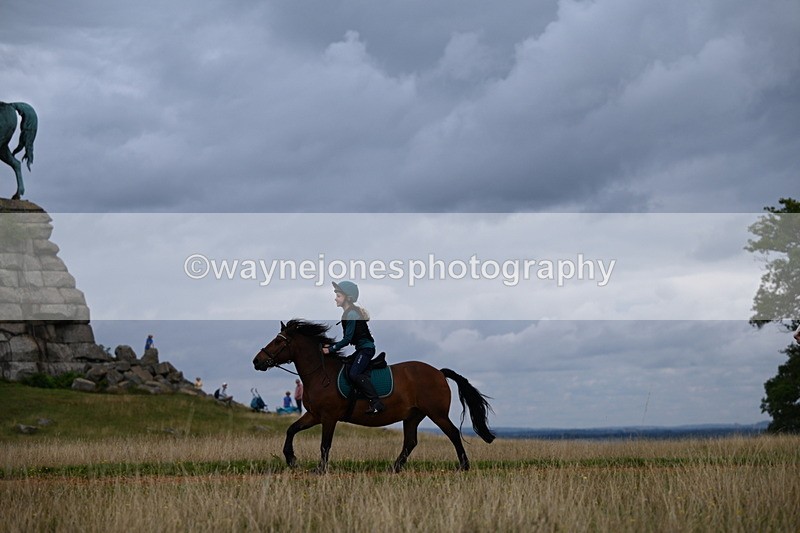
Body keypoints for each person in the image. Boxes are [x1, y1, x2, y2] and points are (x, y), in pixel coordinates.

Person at [322, 281, 385, 414]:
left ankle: (376, 402)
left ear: (347, 298)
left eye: (338, 296)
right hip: (361, 349)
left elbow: (347, 340)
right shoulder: (348, 313)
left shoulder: (351, 314)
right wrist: (332, 346)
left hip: (366, 350)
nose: (335, 298)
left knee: (354, 374)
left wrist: (331, 349)